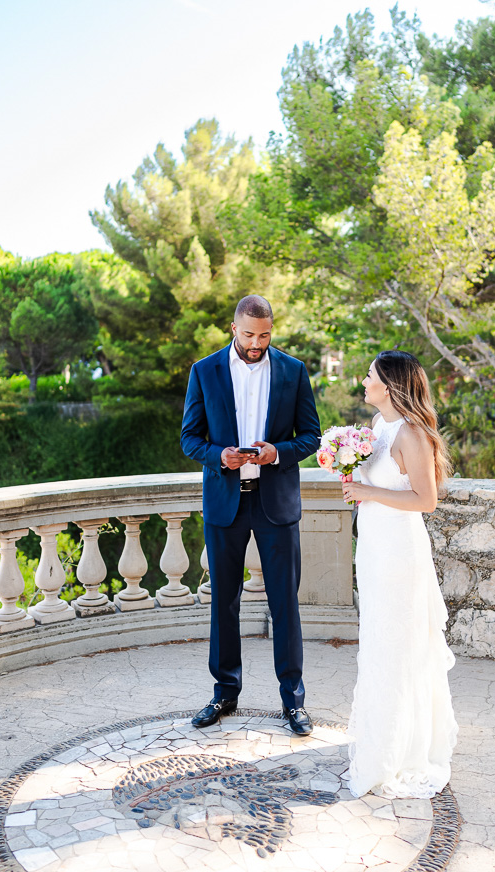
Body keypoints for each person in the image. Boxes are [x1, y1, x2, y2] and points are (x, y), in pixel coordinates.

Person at [180, 295, 321, 735]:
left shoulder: (294, 371)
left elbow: (311, 436)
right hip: (226, 502)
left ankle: (293, 701)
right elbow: (189, 439)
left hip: (275, 502)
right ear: (233, 329)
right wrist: (219, 456)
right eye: (248, 335)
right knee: (223, 603)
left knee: (285, 604)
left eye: (264, 335)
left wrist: (278, 451)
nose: (256, 343)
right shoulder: (204, 371)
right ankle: (224, 693)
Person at [341, 350, 458, 798]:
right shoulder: (377, 427)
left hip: (399, 553)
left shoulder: (411, 434)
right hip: (373, 546)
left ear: (388, 386)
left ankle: (398, 753)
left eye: (368, 375)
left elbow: (425, 501)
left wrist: (368, 489)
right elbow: (378, 485)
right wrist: (354, 482)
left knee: (398, 645)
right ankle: (378, 742)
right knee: (377, 641)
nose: (362, 379)